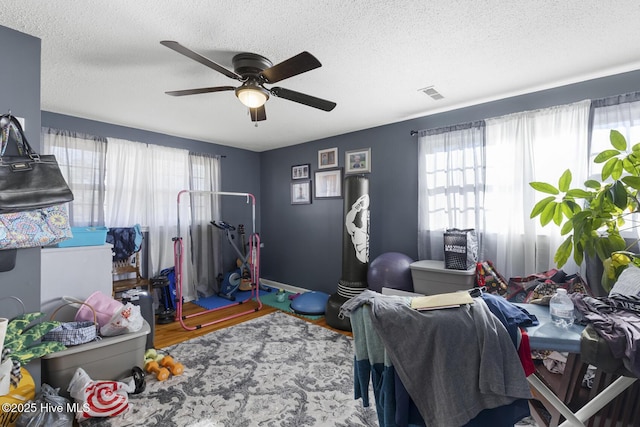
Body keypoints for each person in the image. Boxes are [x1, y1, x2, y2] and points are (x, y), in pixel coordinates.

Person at [345, 194, 370, 263]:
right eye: (364, 217)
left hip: (364, 265)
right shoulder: (357, 232)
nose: (366, 218)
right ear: (361, 219)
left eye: (367, 217)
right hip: (357, 262)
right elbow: (348, 223)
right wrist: (355, 210)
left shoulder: (366, 232)